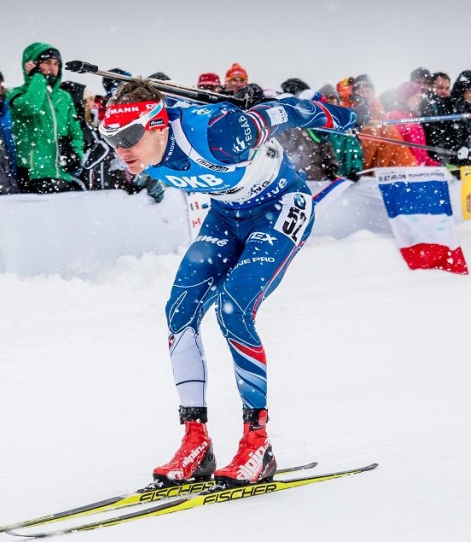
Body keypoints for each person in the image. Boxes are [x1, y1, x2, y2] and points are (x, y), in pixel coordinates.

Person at [99, 79, 357, 488]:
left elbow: (286, 111)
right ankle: (195, 440)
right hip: (226, 217)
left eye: (129, 136)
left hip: (280, 206)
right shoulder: (141, 154)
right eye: (110, 138)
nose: (121, 149)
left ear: (159, 124)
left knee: (234, 310)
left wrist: (338, 117)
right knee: (179, 314)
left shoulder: (218, 132)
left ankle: (258, 443)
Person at [8, 42, 85, 193]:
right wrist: (37, 77)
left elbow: (76, 132)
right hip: (32, 175)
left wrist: (76, 155)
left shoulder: (65, 97)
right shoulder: (17, 94)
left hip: (62, 175)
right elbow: (30, 106)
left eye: (56, 64)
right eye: (47, 63)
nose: (52, 68)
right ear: (31, 65)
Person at [386, 82, 440, 166]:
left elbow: (423, 155)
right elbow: (395, 149)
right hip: (406, 172)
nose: (419, 101)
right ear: (405, 98)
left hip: (416, 172)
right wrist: (412, 166)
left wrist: (437, 166)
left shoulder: (414, 118)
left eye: (420, 98)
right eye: (416, 97)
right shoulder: (394, 116)